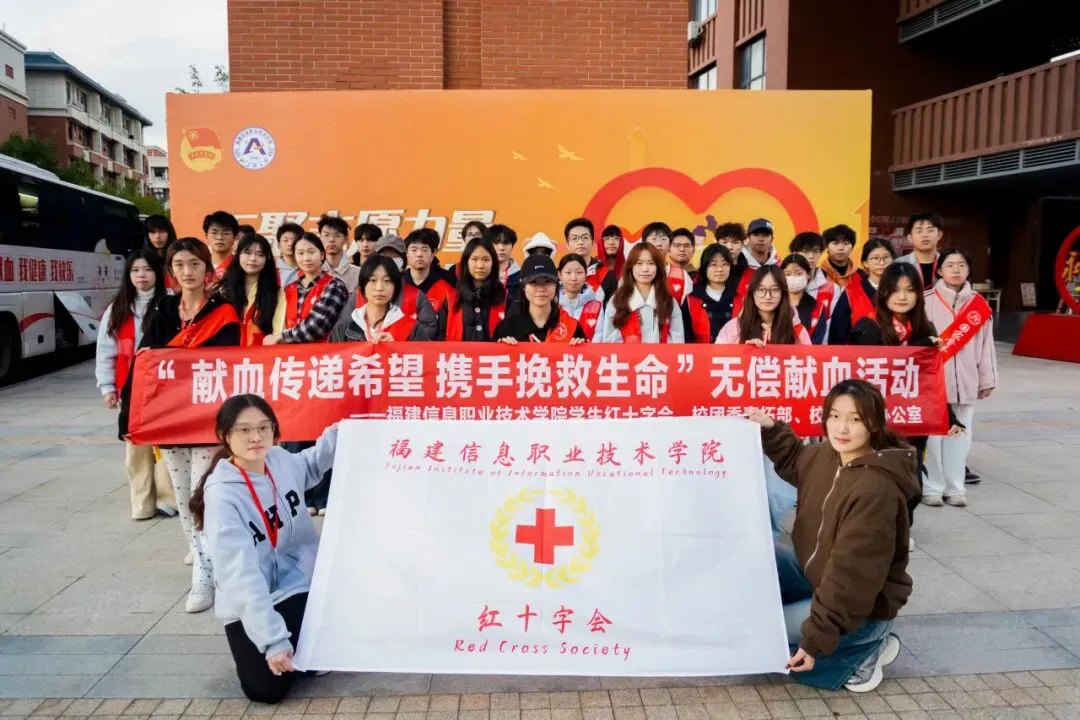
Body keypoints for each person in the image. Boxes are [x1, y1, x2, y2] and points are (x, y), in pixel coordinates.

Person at [746, 379, 917, 692]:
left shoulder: (876, 492)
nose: (842, 428)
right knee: (760, 553)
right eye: (835, 416)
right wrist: (770, 429)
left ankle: (866, 648)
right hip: (819, 579)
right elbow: (796, 459)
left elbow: (849, 578)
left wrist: (813, 641)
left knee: (762, 635)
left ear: (874, 424)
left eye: (855, 419)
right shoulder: (829, 455)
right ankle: (823, 630)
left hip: (860, 608)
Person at [192, 394, 339, 703]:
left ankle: (307, 645)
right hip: (255, 597)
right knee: (265, 690)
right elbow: (240, 577)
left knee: (317, 653)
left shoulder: (279, 460)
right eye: (244, 430)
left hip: (299, 584)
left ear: (274, 430)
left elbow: (310, 464)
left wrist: (343, 433)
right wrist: (273, 641)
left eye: (263, 427)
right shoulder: (223, 496)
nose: (256, 437)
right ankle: (293, 643)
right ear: (225, 435)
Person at [140, 237, 241, 613]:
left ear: (207, 269)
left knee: (203, 493)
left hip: (207, 419)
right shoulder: (163, 309)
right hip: (171, 419)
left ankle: (204, 573)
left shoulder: (224, 313)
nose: (188, 271)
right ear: (171, 271)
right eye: (180, 264)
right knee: (182, 495)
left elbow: (226, 364)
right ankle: (202, 559)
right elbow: (147, 358)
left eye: (195, 264)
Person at [849, 263, 965, 512]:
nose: (902, 297)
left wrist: (948, 415)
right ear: (883, 292)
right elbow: (872, 373)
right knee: (879, 483)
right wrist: (916, 349)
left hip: (913, 421)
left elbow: (930, 381)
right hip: (878, 420)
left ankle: (903, 526)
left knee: (911, 484)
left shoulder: (925, 329)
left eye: (910, 290)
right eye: (895, 289)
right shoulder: (868, 327)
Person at [96, 249, 177, 520]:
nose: (141, 275)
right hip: (130, 389)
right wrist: (107, 388)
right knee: (136, 447)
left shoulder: (171, 304)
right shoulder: (117, 309)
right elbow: (106, 350)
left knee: (164, 445)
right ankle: (142, 503)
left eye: (148, 269)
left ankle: (168, 499)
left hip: (163, 387)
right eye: (135, 270)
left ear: (158, 273)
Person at [923, 248, 998, 507]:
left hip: (966, 381)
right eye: (950, 265)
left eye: (962, 265)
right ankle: (932, 486)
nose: (956, 270)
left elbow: (987, 346)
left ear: (968, 270)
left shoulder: (979, 304)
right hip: (933, 383)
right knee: (933, 437)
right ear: (939, 270)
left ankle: (955, 487)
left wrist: (987, 379)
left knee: (960, 436)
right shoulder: (926, 301)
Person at [264, 233, 349, 346]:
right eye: (300, 253)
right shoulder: (288, 289)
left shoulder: (334, 286)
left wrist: (281, 337)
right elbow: (279, 324)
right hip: (291, 354)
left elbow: (317, 326)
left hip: (324, 353)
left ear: (322, 255)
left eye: (311, 252)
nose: (306, 258)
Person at [331, 256, 437, 342]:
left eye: (387, 281)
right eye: (373, 280)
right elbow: (331, 358)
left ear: (395, 287)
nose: (379, 288)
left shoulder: (411, 328)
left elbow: (425, 358)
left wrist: (398, 348)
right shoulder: (344, 327)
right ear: (363, 285)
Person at [600, 243, 685, 343]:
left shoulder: (668, 301)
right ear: (630, 267)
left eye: (651, 263)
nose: (645, 269)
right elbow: (608, 340)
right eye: (639, 263)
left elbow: (678, 340)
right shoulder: (618, 300)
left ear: (658, 267)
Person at [494, 255, 588, 344]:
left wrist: (580, 348)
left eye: (547, 281)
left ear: (556, 284)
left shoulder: (572, 327)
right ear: (523, 286)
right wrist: (501, 349)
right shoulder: (506, 329)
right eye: (533, 282)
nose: (541, 289)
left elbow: (586, 355)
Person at [715, 266, 811, 346]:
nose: (768, 296)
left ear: (783, 293)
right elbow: (716, 360)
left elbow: (810, 360)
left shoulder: (797, 330)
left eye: (775, 290)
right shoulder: (733, 327)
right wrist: (745, 352)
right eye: (761, 290)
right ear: (752, 292)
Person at [221, 234, 286, 348]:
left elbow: (278, 333)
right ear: (238, 255)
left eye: (260, 254)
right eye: (247, 252)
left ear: (267, 259)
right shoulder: (223, 290)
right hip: (227, 355)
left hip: (262, 355)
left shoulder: (277, 294)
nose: (253, 259)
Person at [828, 238, 896, 345]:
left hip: (898, 352)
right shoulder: (851, 293)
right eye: (875, 258)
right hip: (860, 353)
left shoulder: (902, 291)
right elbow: (838, 334)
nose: (882, 262)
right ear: (865, 263)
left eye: (886, 257)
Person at [438, 237, 507, 342]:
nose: (480, 266)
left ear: (493, 263)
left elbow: (514, 334)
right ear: (466, 262)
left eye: (486, 260)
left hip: (494, 353)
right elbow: (439, 338)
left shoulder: (505, 297)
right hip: (458, 353)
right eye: (474, 259)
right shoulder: (451, 298)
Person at [683, 243, 736, 343]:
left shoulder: (739, 297)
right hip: (699, 352)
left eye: (725, 264)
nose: (719, 269)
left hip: (734, 352)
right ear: (704, 268)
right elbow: (686, 335)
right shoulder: (691, 298)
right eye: (713, 264)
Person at [790, 231, 837, 340]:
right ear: (794, 253)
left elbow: (831, 325)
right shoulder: (782, 283)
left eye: (816, 251)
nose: (811, 256)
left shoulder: (832, 288)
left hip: (818, 346)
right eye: (805, 251)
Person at [403, 229, 455, 312]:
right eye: (414, 250)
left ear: (433, 254)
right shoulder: (398, 281)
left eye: (424, 250)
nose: (419, 254)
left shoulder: (448, 280)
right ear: (406, 254)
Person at [565, 218, 616, 300]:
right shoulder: (559, 276)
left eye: (585, 237)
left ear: (592, 242)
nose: (580, 242)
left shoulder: (607, 275)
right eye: (574, 238)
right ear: (567, 245)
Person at [557, 254, 605, 341]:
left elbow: (599, 340)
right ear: (560, 275)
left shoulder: (597, 307)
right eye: (568, 272)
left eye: (579, 272)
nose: (573, 278)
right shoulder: (552, 305)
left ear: (586, 274)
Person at [782, 255, 825, 343]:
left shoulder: (818, 308)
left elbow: (818, 340)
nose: (793, 278)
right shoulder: (774, 305)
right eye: (788, 274)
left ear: (808, 275)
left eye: (799, 273)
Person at [898, 212, 943, 291]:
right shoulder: (899, 265)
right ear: (910, 237)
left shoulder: (948, 263)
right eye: (919, 231)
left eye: (930, 230)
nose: (925, 235)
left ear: (939, 235)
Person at [318, 215, 359, 294]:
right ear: (320, 238)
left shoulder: (358, 274)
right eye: (326, 235)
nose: (331, 240)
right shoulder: (312, 272)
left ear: (346, 239)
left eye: (337, 235)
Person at [203, 210, 239, 282]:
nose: (219, 237)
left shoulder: (240, 265)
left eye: (225, 233)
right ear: (206, 236)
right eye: (214, 232)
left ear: (234, 238)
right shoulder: (201, 265)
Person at [822, 225, 858, 289]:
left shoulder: (861, 275)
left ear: (852, 247)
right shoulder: (818, 274)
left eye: (846, 243)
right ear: (826, 247)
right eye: (835, 243)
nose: (841, 248)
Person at [487, 224, 521, 294]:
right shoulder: (478, 276)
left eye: (506, 243)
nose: (501, 248)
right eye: (496, 243)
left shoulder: (522, 277)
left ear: (512, 246)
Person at [275, 222, 304, 288]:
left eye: (294, 240)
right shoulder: (272, 272)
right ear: (279, 245)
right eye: (285, 240)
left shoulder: (310, 268)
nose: (290, 244)